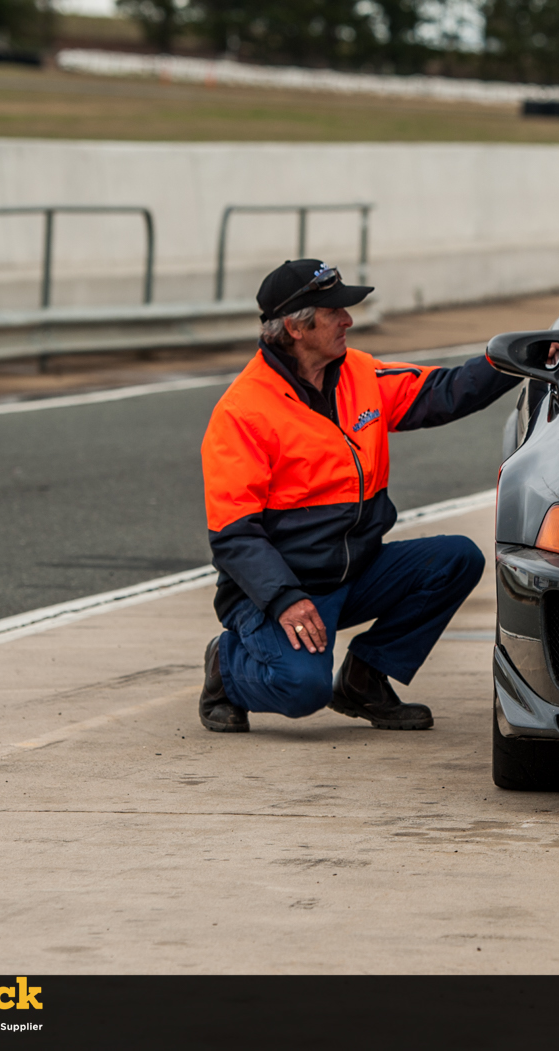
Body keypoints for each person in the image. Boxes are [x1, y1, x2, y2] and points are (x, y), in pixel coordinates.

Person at [198, 258, 519, 733]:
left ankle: (364, 680)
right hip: (284, 590)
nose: (349, 320)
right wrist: (285, 599)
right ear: (296, 327)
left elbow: (441, 392)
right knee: (303, 690)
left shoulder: (358, 372)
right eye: (335, 312)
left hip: (355, 571)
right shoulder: (242, 413)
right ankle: (226, 666)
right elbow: (233, 535)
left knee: (456, 559)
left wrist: (505, 363)